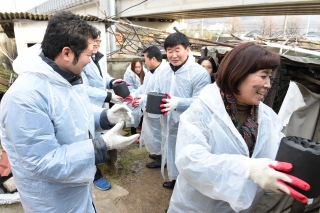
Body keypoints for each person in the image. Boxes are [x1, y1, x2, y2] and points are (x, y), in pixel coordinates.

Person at [0, 11, 139, 213]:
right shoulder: (24, 98)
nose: (91, 61)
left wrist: (105, 117)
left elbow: (74, 113)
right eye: (88, 55)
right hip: (52, 200)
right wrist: (101, 145)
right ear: (66, 53)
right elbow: (44, 161)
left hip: (76, 186)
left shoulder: (67, 77)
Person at [167, 42, 310, 213]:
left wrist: (302, 164)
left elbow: (277, 148)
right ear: (239, 74)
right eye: (263, 76)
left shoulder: (267, 117)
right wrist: (248, 168)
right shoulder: (202, 111)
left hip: (241, 207)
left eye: (269, 77)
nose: (268, 84)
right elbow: (190, 161)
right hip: (196, 207)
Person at [154, 32, 211, 190]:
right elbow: (157, 93)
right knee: (172, 151)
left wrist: (178, 103)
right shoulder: (163, 71)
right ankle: (174, 179)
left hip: (190, 125)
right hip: (168, 122)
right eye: (169, 51)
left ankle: (187, 186)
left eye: (177, 50)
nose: (173, 55)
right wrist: (143, 101)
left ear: (187, 49)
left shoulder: (199, 73)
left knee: (188, 155)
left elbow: (202, 101)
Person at [82, 28, 131, 190]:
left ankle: (100, 159)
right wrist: (109, 96)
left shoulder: (99, 58)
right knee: (88, 139)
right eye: (93, 40)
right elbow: (84, 88)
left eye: (98, 41)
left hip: (100, 104)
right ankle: (94, 174)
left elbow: (104, 77)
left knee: (101, 135)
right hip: (87, 105)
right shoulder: (82, 58)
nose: (96, 44)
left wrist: (113, 82)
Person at [132, 46, 169, 168]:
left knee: (160, 133)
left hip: (158, 110)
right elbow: (144, 88)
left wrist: (143, 98)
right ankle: (157, 153)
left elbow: (159, 93)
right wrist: (134, 95)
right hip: (149, 108)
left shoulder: (164, 72)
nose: (145, 62)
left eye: (145, 59)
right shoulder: (150, 72)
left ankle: (161, 158)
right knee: (152, 132)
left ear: (153, 59)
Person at [123, 58, 146, 136]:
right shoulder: (128, 74)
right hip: (132, 98)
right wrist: (136, 95)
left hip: (142, 97)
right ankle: (133, 133)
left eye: (139, 67)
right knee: (133, 116)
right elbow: (129, 88)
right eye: (136, 67)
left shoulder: (145, 72)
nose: (138, 69)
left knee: (143, 113)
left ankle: (140, 127)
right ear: (133, 67)